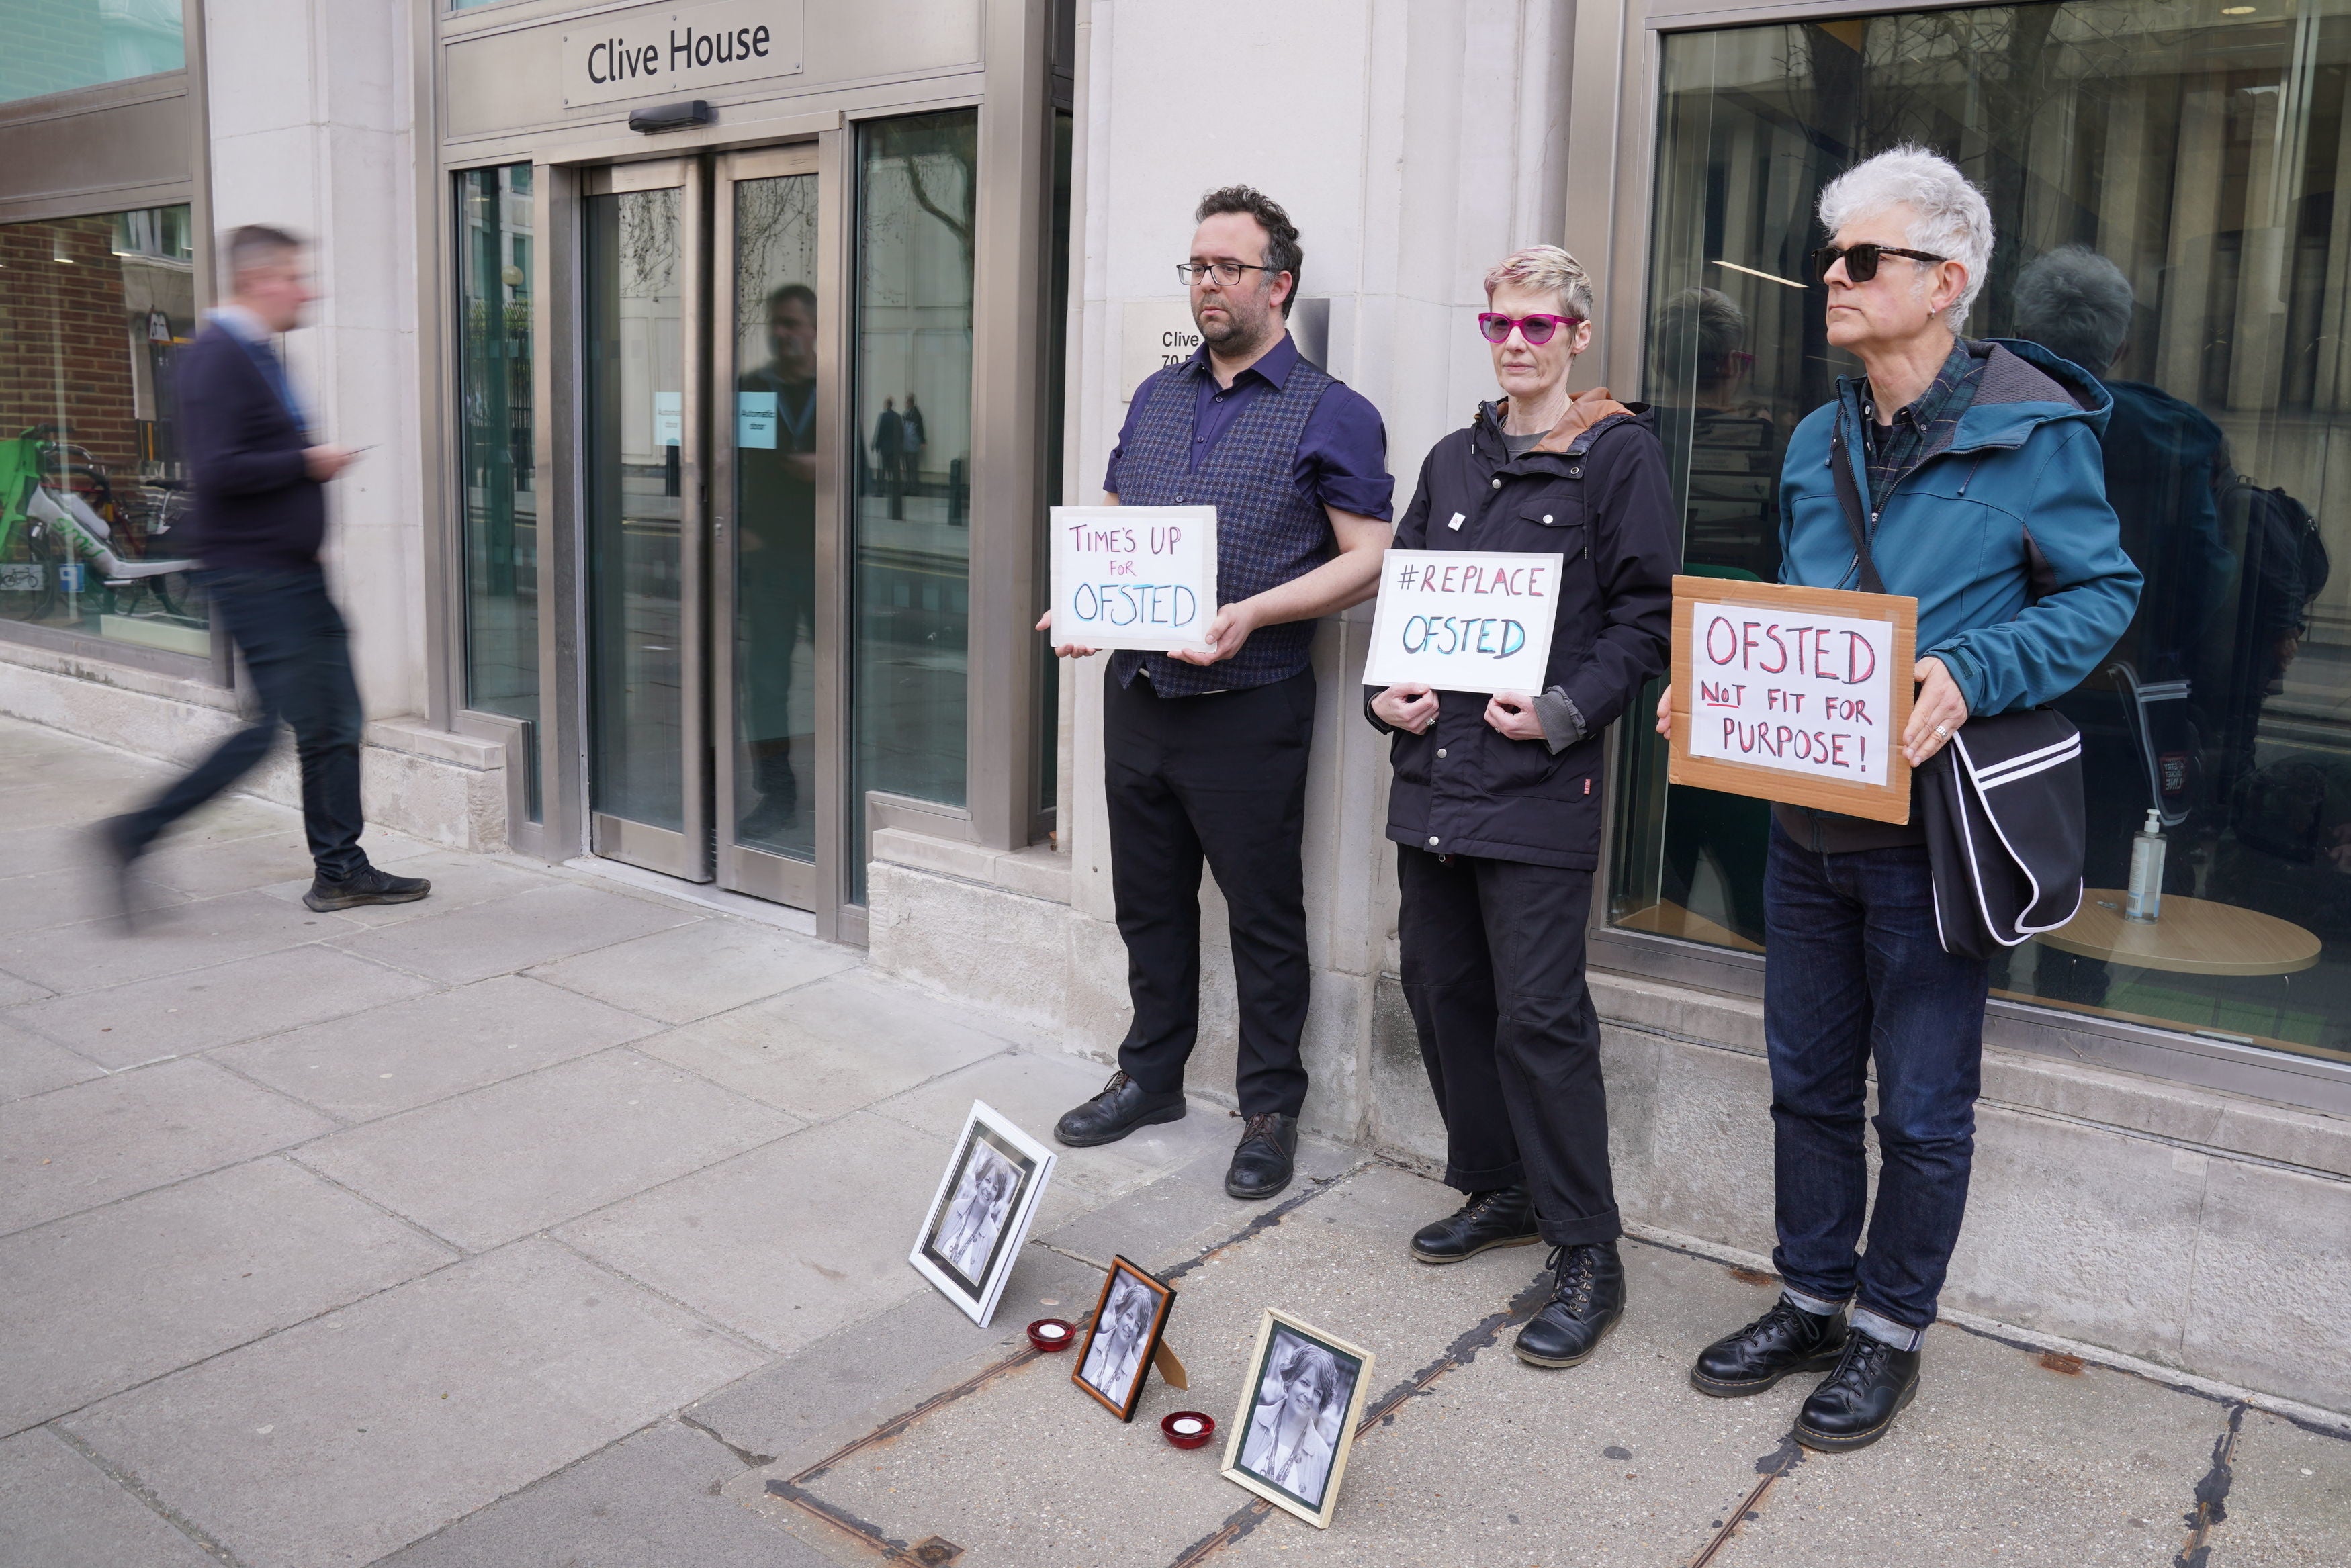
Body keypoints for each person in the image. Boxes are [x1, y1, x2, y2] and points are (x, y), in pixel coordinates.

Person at [1659, 146, 2139, 1450]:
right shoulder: (1818, 436)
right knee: (1804, 1081)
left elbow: (2104, 594)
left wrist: (1975, 671)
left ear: (1946, 281)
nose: (1831, 277)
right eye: (1830, 257)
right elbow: (1798, 603)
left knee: (1920, 1105)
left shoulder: (2036, 430)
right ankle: (1811, 1298)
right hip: (1803, 821)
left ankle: (1887, 1334)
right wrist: (1717, 680)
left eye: (1860, 258)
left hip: (1932, 836)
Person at [1040, 186, 1394, 1200]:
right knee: (1147, 903)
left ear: (1278, 284)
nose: (1207, 284)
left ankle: (1271, 1106)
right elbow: (1114, 516)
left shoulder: (1336, 411)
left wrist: (1255, 611)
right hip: (1140, 691)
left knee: (1263, 915)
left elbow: (1369, 558)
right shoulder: (1157, 396)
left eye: (1227, 268)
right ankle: (1150, 1074)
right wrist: (1081, 600)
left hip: (1251, 702)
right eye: (1196, 266)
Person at [1368, 246, 1677, 1370]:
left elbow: (1647, 622)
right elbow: (1405, 602)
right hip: (1434, 786)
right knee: (1442, 993)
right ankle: (1500, 1187)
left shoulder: (1617, 459)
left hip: (1539, 785)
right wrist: (1379, 696)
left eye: (1539, 326)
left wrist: (1561, 710)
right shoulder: (1452, 460)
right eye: (1499, 322)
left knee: (1541, 1019)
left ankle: (1590, 1248)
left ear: (1577, 336)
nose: (1515, 341)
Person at [95, 226, 429, 917]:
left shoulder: (251, 354)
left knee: (334, 719)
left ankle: (341, 869)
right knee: (271, 728)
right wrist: (310, 463)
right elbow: (218, 472)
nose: (310, 290)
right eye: (296, 277)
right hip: (259, 577)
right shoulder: (218, 358)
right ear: (259, 280)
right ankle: (132, 833)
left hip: (289, 572)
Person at [2011, 246, 2233, 1006]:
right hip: (2121, 699)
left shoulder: (1980, 419)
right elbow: (2202, 579)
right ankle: (2072, 1008)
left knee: (1976, 878)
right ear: (2121, 346)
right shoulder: (2177, 439)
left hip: (1994, 699)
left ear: (2019, 330)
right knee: (2099, 884)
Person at [736, 282, 820, 841]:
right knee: (765, 683)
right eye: (777, 323)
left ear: (814, 330)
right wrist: (738, 523)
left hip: (826, 559)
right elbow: (729, 459)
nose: (783, 333)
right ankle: (777, 792)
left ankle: (848, 779)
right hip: (766, 559)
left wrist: (828, 466)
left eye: (793, 323)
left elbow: (864, 469)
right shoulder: (751, 388)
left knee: (843, 675)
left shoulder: (835, 390)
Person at [872, 396, 903, 517]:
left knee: (882, 470)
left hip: (884, 449)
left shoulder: (883, 416)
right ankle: (893, 490)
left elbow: (879, 432)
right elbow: (901, 434)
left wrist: (876, 445)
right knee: (893, 471)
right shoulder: (898, 417)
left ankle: (880, 490)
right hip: (894, 449)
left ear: (886, 405)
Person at [900, 392, 927, 488]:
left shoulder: (914, 414)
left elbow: (920, 429)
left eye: (906, 402)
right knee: (909, 468)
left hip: (911, 445)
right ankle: (910, 486)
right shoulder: (907, 414)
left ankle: (913, 487)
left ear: (910, 403)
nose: (905, 404)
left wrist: (923, 441)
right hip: (908, 445)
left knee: (911, 468)